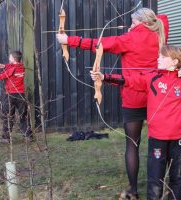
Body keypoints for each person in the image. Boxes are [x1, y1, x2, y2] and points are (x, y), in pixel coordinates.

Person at [56, 8, 169, 199]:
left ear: (141, 23)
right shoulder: (161, 33)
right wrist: (145, 21)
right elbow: (163, 19)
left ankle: (133, 191)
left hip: (134, 96)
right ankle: (164, 186)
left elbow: (97, 44)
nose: (130, 26)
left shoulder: (129, 38)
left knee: (132, 144)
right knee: (160, 143)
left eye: (133, 22)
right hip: (157, 95)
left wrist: (68, 41)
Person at [91, 45, 181, 199]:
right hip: (157, 137)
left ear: (174, 62)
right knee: (155, 177)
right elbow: (129, 80)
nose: (158, 59)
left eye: (163, 57)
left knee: (178, 176)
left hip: (179, 138)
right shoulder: (152, 77)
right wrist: (104, 77)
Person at [0, 51, 33, 143]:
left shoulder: (11, 70)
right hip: (20, 95)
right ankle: (29, 135)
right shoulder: (21, 67)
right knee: (23, 115)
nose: (9, 58)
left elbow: (0, 77)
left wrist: (3, 69)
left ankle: (5, 137)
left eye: (10, 57)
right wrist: (4, 66)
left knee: (8, 116)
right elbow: (12, 67)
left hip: (10, 95)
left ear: (14, 58)